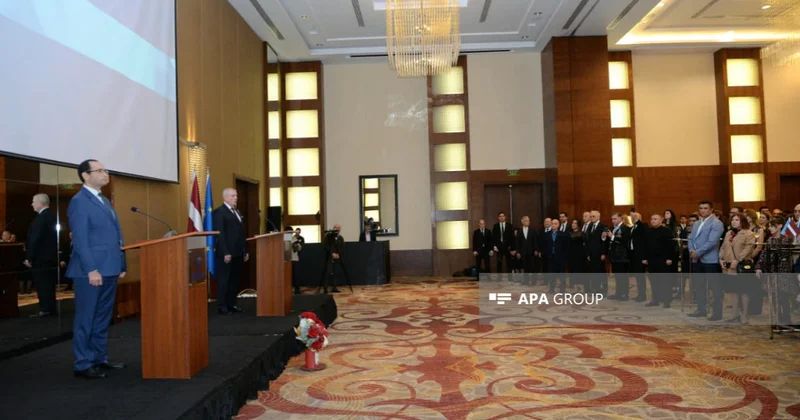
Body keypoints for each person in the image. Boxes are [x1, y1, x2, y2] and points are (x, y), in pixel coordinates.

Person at [66, 159, 127, 379]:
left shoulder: (103, 200)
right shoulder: (79, 202)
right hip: (90, 272)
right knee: (86, 318)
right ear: (85, 175)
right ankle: (82, 363)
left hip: (110, 268)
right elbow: (81, 240)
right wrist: (91, 269)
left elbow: (116, 236)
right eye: (99, 170)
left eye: (105, 170)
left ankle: (99, 358)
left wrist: (121, 263)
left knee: (102, 317)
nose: (105, 173)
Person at [212, 188, 248, 315]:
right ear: (225, 197)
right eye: (233, 196)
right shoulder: (219, 212)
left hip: (238, 252)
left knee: (234, 280)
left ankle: (232, 304)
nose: (236, 198)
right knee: (224, 280)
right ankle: (222, 306)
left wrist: (245, 250)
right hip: (226, 253)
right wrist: (226, 252)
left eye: (236, 195)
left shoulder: (236, 211)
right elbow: (220, 234)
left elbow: (241, 233)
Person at [687, 200, 725, 320]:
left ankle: (717, 312)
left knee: (715, 287)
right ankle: (701, 309)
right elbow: (691, 238)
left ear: (711, 210)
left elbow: (712, 242)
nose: (702, 210)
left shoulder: (716, 223)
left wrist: (698, 253)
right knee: (699, 285)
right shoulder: (697, 223)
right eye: (701, 208)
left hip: (710, 259)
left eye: (705, 208)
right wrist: (692, 251)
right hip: (696, 259)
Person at [23, 193, 59, 317]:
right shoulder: (52, 216)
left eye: (34, 201)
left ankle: (45, 309)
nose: (32, 204)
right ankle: (49, 309)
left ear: (41, 203)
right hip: (50, 257)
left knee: (42, 284)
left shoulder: (41, 218)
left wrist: (28, 256)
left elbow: (35, 239)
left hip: (41, 258)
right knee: (48, 284)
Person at [720, 214, 756, 324]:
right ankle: (734, 314)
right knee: (733, 291)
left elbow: (748, 248)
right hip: (729, 266)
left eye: (737, 220)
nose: (734, 222)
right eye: (733, 220)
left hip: (741, 266)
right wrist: (721, 259)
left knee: (744, 291)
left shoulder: (748, 233)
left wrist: (738, 260)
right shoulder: (728, 233)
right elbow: (722, 247)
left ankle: (744, 315)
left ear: (742, 221)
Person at [323, 224, 345, 294]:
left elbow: (342, 247)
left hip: (337, 257)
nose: (337, 229)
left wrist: (338, 254)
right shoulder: (328, 237)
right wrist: (332, 253)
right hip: (329, 257)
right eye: (336, 227)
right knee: (328, 272)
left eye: (339, 228)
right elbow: (326, 246)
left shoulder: (341, 238)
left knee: (336, 272)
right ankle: (325, 288)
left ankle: (334, 287)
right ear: (333, 228)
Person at [288, 227, 304, 294]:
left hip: (294, 259)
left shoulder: (293, 238)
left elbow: (299, 248)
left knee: (296, 275)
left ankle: (296, 290)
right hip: (288, 260)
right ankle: (289, 289)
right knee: (289, 276)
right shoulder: (285, 238)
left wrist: (296, 245)